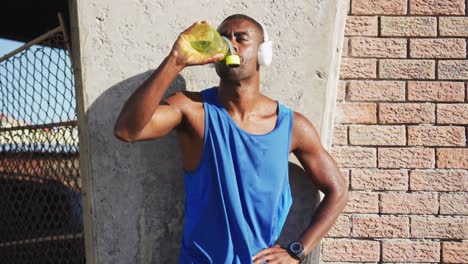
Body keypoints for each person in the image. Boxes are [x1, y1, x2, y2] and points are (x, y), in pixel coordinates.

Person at [114, 14, 348, 264]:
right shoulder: (192, 109)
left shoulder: (293, 126)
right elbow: (128, 130)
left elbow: (338, 191)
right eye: (223, 37)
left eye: (241, 38)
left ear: (262, 53)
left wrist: (297, 250)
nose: (231, 44)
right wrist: (176, 60)